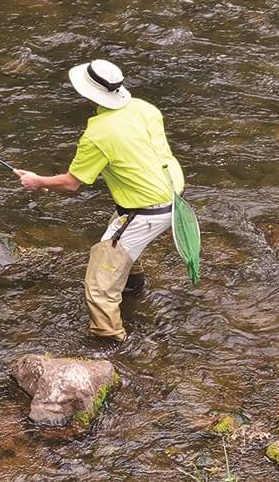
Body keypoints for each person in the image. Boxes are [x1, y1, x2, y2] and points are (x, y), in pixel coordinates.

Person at [13, 59, 184, 341]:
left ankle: (109, 341)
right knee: (121, 239)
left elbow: (71, 183)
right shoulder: (145, 108)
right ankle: (134, 289)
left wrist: (37, 181)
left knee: (99, 284)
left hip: (145, 211)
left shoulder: (96, 134)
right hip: (174, 197)